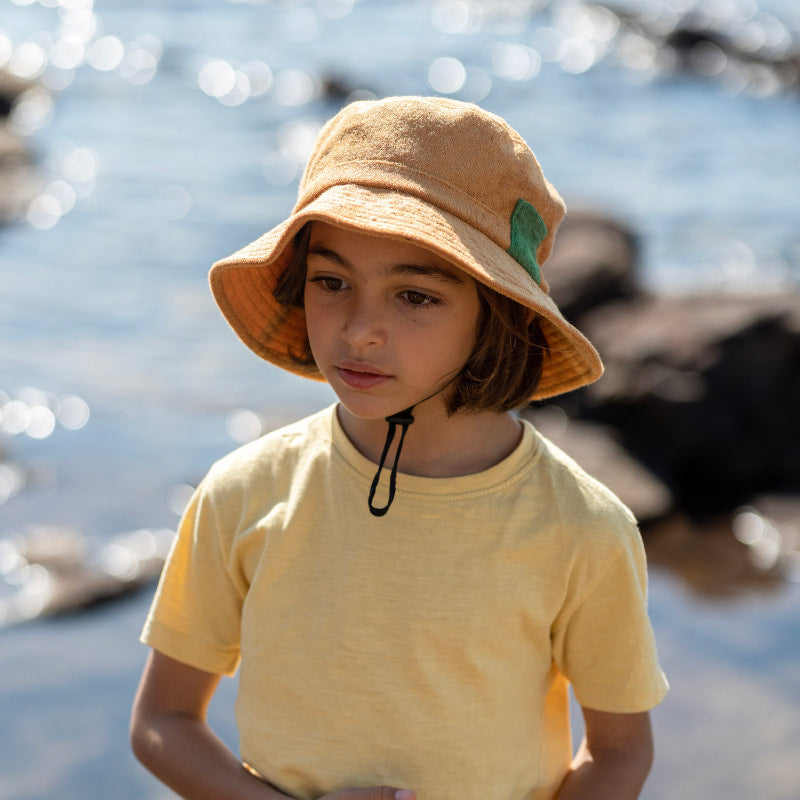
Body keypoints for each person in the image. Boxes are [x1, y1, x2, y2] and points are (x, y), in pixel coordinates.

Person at [130, 96, 668, 800]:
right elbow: (162, 720)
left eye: (415, 296)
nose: (359, 331)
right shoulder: (244, 492)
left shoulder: (582, 529)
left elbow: (620, 752)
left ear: (496, 313)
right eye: (332, 282)